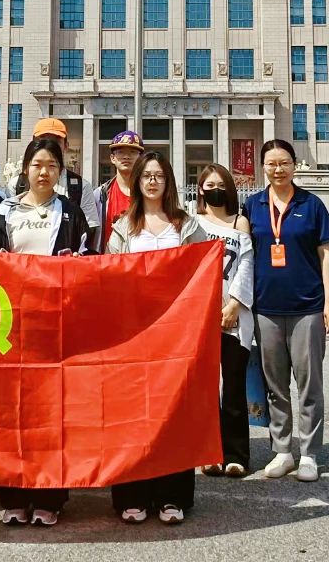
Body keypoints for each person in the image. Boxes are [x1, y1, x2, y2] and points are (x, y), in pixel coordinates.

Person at [0, 137, 93, 526]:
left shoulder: (71, 213)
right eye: (37, 164)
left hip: (54, 323)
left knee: (51, 412)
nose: (44, 172)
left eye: (51, 165)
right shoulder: (2, 211)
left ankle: (50, 497)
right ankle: (13, 496)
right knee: (10, 412)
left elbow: (88, 260)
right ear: (25, 168)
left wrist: (76, 263)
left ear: (60, 172)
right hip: (9, 325)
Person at [107, 151, 209, 524]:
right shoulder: (123, 227)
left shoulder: (185, 225)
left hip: (176, 333)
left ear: (168, 181)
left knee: (172, 414)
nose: (152, 181)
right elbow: (109, 276)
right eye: (146, 175)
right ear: (136, 182)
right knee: (131, 414)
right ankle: (132, 494)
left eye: (159, 175)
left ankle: (171, 496)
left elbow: (204, 270)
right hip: (133, 333)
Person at [242, 139, 329, 484]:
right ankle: (282, 450)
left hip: (307, 307)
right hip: (266, 308)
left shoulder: (311, 205)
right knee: (275, 385)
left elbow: (326, 255)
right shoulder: (253, 205)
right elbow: (241, 253)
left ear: (295, 165)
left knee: (309, 383)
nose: (278, 169)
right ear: (262, 168)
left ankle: (309, 453)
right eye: (271, 163)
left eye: (284, 162)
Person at [193, 163, 254, 478]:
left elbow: (246, 264)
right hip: (201, 314)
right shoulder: (193, 222)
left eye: (220, 184)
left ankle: (236, 454)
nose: (215, 189)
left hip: (234, 315)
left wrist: (234, 304)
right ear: (200, 190)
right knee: (204, 389)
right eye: (209, 185)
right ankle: (209, 452)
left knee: (233, 387)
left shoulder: (239, 221)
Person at [8, 117, 100, 249]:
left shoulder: (81, 187)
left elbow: (91, 230)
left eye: (56, 141)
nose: (49, 145)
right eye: (43, 139)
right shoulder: (17, 184)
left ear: (66, 146)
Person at [93, 129, 144, 251]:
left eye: (132, 152)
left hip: (139, 258)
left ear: (141, 158)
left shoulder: (149, 194)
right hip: (109, 258)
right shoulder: (100, 195)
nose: (126, 156)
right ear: (112, 158)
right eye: (120, 152)